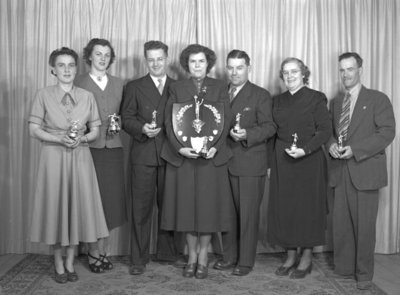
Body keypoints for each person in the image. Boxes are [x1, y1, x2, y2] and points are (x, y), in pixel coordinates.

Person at [29, 47, 109, 283]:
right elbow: (33, 129)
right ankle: (58, 264)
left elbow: (95, 130)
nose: (66, 70)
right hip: (53, 158)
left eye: (71, 65)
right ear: (53, 69)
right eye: (61, 65)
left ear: (76, 69)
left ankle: (70, 262)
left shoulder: (87, 96)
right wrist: (58, 139)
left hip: (80, 157)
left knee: (76, 208)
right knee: (56, 208)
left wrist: (81, 139)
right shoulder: (42, 95)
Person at [160, 44, 233, 279]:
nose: (197, 65)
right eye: (193, 62)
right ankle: (191, 256)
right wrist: (179, 148)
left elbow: (225, 121)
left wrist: (214, 148)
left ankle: (203, 256)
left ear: (208, 64)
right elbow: (169, 123)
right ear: (186, 64)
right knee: (188, 211)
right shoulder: (177, 87)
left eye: (201, 61)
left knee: (208, 211)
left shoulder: (221, 87)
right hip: (185, 160)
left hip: (211, 160)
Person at [327, 52, 395, 290]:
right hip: (340, 171)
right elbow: (331, 133)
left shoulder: (377, 99)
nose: (346, 74)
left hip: (364, 171)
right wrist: (331, 144)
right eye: (342, 70)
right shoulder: (336, 102)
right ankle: (345, 269)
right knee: (341, 223)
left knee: (364, 226)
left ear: (360, 70)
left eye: (350, 69)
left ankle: (364, 274)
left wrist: (355, 150)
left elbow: (387, 132)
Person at [267, 57, 331, 279]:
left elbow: (325, 131)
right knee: (286, 208)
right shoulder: (277, 101)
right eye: (285, 72)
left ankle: (306, 257)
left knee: (307, 209)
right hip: (283, 160)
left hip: (309, 160)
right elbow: (272, 132)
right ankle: (291, 255)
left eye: (294, 71)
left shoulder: (316, 98)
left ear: (304, 73)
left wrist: (305, 150)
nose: (290, 76)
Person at [213, 50, 276, 276]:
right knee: (227, 214)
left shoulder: (260, 94)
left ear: (249, 68)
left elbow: (269, 127)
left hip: (250, 163)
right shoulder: (220, 92)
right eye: (230, 67)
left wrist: (247, 134)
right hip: (223, 163)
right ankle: (229, 257)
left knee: (248, 215)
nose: (234, 72)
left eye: (239, 67)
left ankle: (246, 261)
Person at [121, 40, 179, 275]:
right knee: (140, 209)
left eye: (160, 58)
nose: (156, 63)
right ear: (146, 61)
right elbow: (125, 118)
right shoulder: (134, 86)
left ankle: (167, 253)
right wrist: (142, 128)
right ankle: (138, 258)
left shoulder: (178, 86)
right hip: (143, 154)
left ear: (167, 59)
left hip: (171, 155)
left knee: (170, 207)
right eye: (151, 59)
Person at [75, 38, 127, 273]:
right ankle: (93, 252)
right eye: (98, 54)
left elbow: (127, 114)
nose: (103, 58)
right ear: (89, 56)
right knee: (90, 202)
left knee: (111, 202)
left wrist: (120, 122)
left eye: (107, 54)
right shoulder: (78, 82)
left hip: (113, 149)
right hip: (88, 149)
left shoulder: (120, 83)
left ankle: (104, 250)